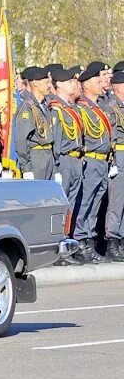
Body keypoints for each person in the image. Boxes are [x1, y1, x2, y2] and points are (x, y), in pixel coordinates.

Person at [74, 62, 112, 263]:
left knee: (95, 202)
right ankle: (80, 240)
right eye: (97, 80)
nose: (102, 83)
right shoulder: (82, 108)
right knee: (85, 201)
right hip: (90, 160)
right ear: (87, 84)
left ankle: (88, 239)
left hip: (102, 161)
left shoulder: (98, 107)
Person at [47, 66, 86, 262]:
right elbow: (55, 141)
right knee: (62, 206)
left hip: (75, 158)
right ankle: (59, 248)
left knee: (72, 204)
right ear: (59, 84)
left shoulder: (70, 108)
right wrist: (55, 168)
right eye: (70, 80)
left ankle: (69, 242)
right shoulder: (56, 109)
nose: (74, 83)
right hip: (63, 160)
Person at [14, 67, 55, 181]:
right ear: (35, 84)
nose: (49, 86)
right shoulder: (27, 108)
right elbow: (22, 140)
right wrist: (26, 168)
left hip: (48, 157)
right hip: (37, 158)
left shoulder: (44, 106)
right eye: (46, 82)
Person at [105, 71, 124, 261]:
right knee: (116, 201)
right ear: (118, 87)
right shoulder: (111, 108)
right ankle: (112, 240)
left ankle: (121, 240)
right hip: (119, 155)